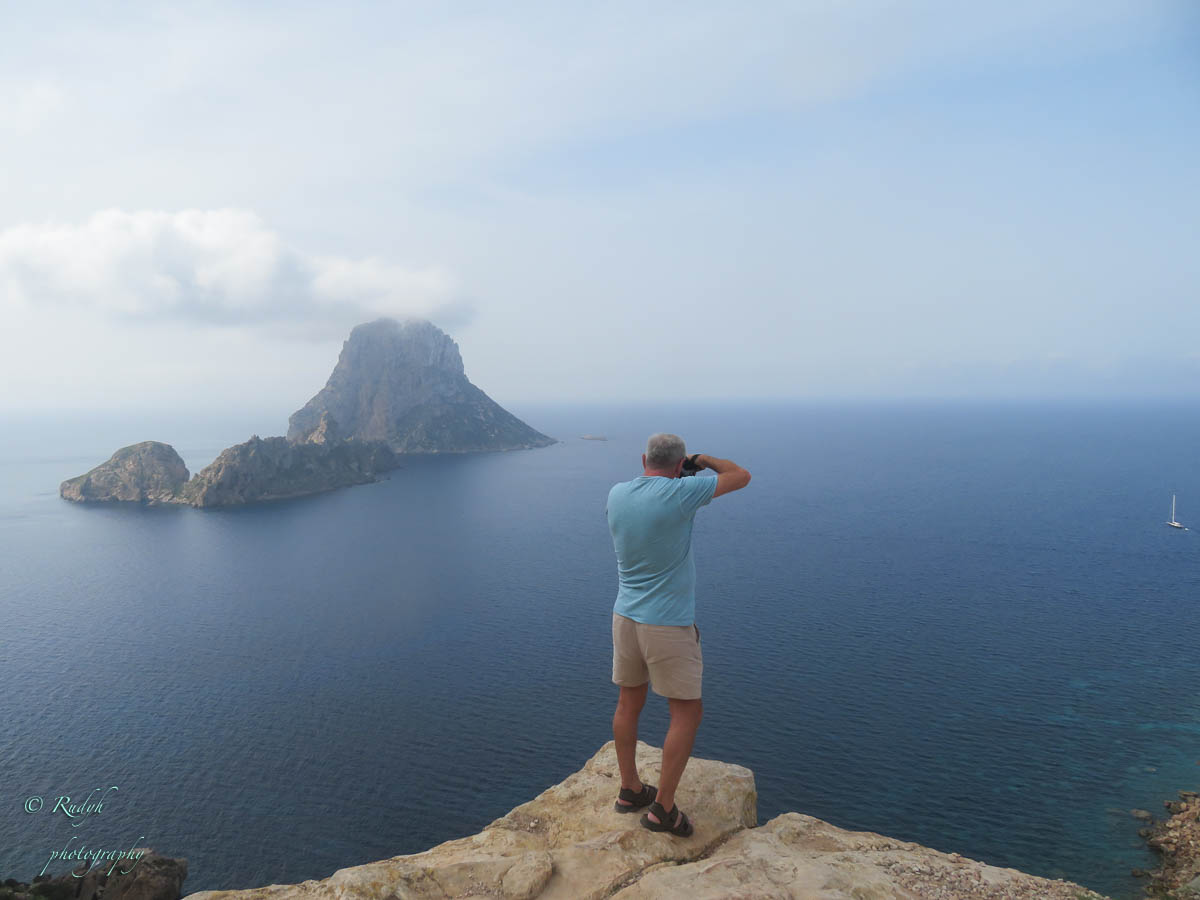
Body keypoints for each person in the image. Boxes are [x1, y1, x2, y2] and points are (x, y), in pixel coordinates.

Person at [606, 432, 751, 837]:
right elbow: (741, 476)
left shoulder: (617, 493)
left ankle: (630, 789)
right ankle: (663, 810)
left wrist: (676, 472)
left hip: (625, 617)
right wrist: (701, 460)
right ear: (678, 465)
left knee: (628, 703)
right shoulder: (681, 493)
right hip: (667, 624)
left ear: (643, 460)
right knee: (686, 712)